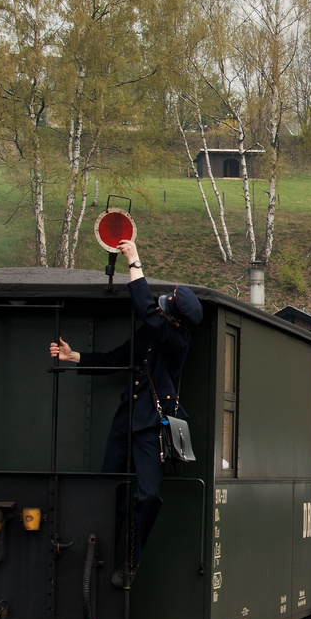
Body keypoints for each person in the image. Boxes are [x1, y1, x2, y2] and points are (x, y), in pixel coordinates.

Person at [49, 237, 202, 584]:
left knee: (148, 495)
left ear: (174, 319)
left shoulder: (176, 340)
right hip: (127, 421)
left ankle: (130, 563)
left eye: (164, 309)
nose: (159, 309)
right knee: (107, 493)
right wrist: (75, 358)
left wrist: (134, 261)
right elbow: (119, 357)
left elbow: (147, 310)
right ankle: (95, 558)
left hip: (151, 424)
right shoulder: (153, 334)